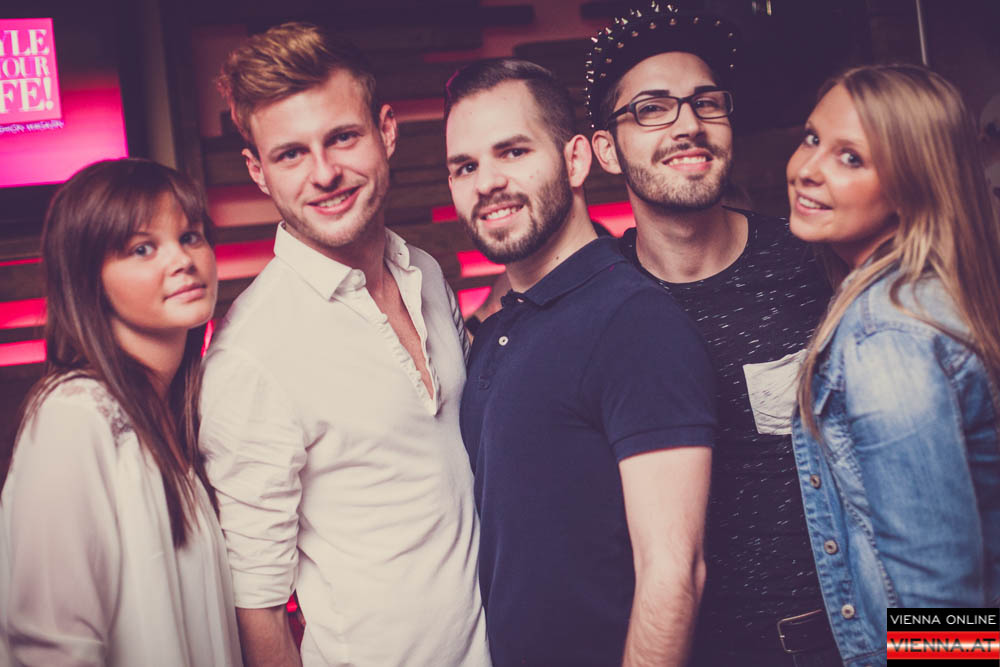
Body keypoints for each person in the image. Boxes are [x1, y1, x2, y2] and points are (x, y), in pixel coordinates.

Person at [200, 22, 489, 667]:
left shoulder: (425, 272)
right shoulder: (251, 355)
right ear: (257, 171)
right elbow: (258, 605)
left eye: (342, 137)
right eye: (291, 154)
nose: (325, 173)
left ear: (386, 131)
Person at [445, 58, 716, 667]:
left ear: (574, 160)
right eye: (465, 166)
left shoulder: (632, 320)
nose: (486, 182)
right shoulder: (495, 331)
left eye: (513, 152)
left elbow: (674, 574)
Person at [586, 3, 835, 665]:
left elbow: (934, 504)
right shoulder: (596, 310)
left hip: (840, 640)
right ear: (606, 149)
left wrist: (959, 645)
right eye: (652, 109)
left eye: (706, 103)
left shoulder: (818, 262)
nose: (688, 124)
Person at [788, 63, 1000, 664]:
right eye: (812, 138)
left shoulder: (887, 334)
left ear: (914, 185)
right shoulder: (926, 296)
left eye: (851, 158)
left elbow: (940, 594)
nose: (808, 168)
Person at [0, 158, 241, 666]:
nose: (182, 259)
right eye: (142, 248)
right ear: (89, 278)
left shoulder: (178, 420)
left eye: (190, 236)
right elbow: (50, 646)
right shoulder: (75, 414)